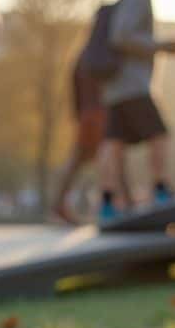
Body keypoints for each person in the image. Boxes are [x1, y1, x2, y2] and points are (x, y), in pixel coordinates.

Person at [97, 0, 175, 223]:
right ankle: (160, 189)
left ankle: (108, 202)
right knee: (159, 134)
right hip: (132, 86)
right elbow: (121, 36)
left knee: (114, 142)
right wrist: (161, 46)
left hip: (115, 87)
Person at [53, 53, 130, 224]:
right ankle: (118, 204)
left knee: (81, 159)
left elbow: (74, 86)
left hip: (87, 113)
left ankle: (59, 203)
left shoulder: (84, 56)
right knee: (112, 156)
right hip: (99, 111)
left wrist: (79, 114)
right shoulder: (100, 55)